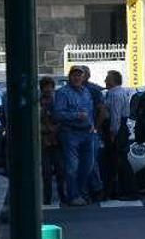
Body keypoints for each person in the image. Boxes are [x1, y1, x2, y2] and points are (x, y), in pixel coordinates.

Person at [54, 65, 95, 206]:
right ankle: (73, 195)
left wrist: (92, 124)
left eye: (79, 75)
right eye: (74, 75)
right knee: (72, 166)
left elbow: (91, 110)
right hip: (70, 133)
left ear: (83, 77)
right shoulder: (62, 93)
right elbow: (58, 114)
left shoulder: (86, 91)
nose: (77, 77)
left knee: (88, 165)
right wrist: (76, 116)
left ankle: (81, 192)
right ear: (69, 77)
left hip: (87, 133)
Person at [103, 70, 137, 200]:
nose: (105, 81)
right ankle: (119, 189)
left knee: (120, 161)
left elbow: (116, 116)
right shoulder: (117, 93)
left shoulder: (115, 94)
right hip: (119, 129)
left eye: (107, 78)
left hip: (117, 130)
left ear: (113, 80)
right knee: (117, 161)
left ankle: (129, 190)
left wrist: (113, 133)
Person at [82, 66, 107, 201]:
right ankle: (88, 190)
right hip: (78, 131)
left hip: (91, 131)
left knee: (91, 161)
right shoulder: (72, 90)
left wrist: (96, 127)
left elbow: (102, 111)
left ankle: (96, 189)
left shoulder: (93, 90)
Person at [40, 77, 66, 205]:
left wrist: (56, 128)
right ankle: (47, 197)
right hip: (44, 140)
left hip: (57, 140)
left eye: (50, 87)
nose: (48, 90)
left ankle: (63, 195)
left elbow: (62, 118)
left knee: (61, 170)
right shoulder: (38, 103)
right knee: (46, 172)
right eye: (46, 88)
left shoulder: (58, 102)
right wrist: (46, 129)